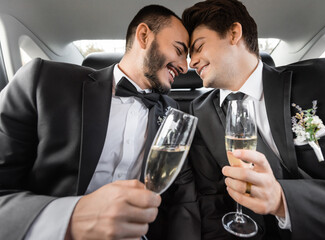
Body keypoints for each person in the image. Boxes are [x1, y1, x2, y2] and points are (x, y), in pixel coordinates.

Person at [0, 5, 200, 240]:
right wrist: (70, 219)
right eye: (179, 50)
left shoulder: (172, 112)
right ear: (144, 36)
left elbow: (182, 196)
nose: (185, 67)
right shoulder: (43, 81)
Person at [182, 0, 325, 239]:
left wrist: (282, 200)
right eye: (189, 55)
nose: (191, 62)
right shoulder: (199, 113)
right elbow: (212, 201)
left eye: (199, 47)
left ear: (234, 33)